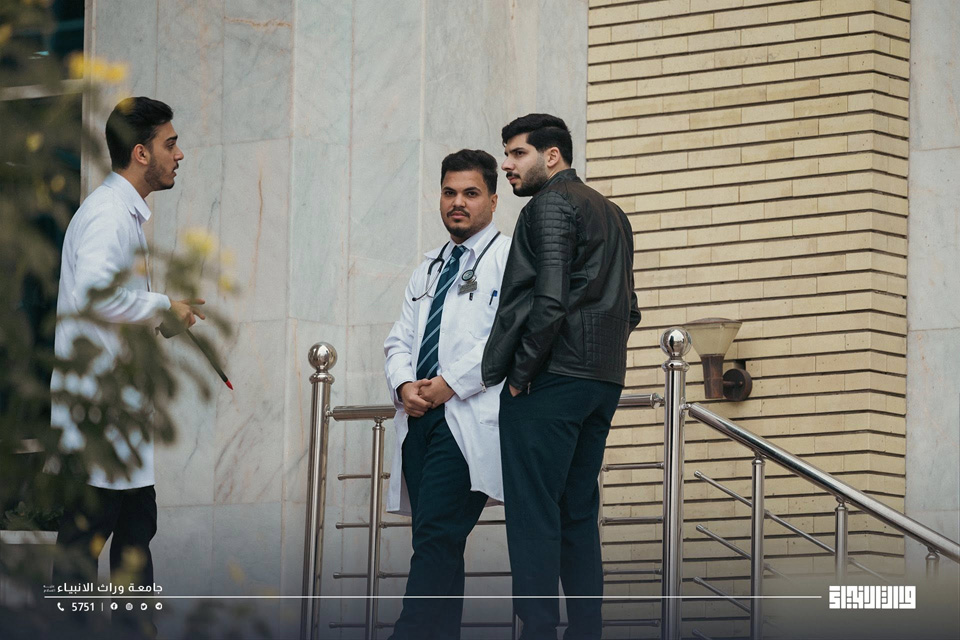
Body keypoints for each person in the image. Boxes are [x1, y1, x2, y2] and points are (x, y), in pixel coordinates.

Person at [481, 113, 641, 640]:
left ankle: (539, 630)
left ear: (552, 156)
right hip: (601, 381)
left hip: (552, 378)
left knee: (533, 514)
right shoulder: (613, 213)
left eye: (518, 153)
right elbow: (630, 309)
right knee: (577, 512)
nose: (508, 165)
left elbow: (549, 301)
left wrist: (521, 375)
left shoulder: (550, 205)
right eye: (506, 154)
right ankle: (586, 630)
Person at [49, 97, 202, 636]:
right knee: (83, 550)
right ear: (140, 153)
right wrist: (161, 305)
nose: (178, 155)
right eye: (169, 144)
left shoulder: (124, 213)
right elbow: (96, 297)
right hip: (97, 420)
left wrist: (161, 316)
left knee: (136, 538)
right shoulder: (107, 214)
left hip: (120, 420)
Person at [383, 148, 512, 640]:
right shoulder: (430, 267)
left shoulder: (507, 258)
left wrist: (447, 384)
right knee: (439, 543)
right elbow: (399, 339)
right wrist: (403, 384)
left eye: (471, 193)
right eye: (449, 192)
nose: (458, 202)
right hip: (419, 419)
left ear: (493, 200)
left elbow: (505, 337)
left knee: (437, 534)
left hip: (467, 416)